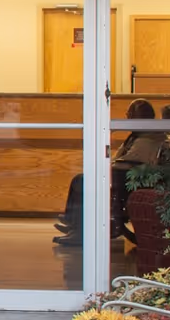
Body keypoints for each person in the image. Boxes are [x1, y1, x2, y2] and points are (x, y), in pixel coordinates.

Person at [53, 98, 163, 246]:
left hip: (129, 182)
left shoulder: (148, 138)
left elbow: (130, 161)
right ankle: (74, 224)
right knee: (80, 179)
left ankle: (79, 231)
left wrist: (107, 167)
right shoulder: (137, 136)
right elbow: (121, 159)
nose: (127, 117)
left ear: (140, 117)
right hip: (123, 176)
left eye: (130, 114)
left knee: (84, 182)